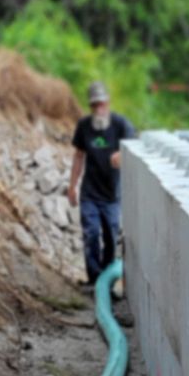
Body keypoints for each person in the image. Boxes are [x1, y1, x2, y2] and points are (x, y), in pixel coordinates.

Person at [69, 83, 135, 285]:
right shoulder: (84, 127)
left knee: (111, 234)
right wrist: (72, 186)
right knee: (91, 233)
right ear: (90, 106)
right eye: (95, 105)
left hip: (112, 196)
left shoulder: (121, 125)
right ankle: (94, 279)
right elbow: (79, 156)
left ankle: (106, 277)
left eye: (102, 104)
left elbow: (135, 150)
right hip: (90, 193)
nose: (99, 109)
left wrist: (121, 154)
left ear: (108, 103)